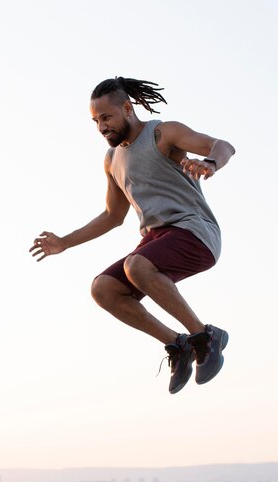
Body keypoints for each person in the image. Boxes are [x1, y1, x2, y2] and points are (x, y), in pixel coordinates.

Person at [29, 77, 235, 394]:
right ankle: (176, 345)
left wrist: (210, 163)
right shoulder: (112, 161)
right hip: (154, 240)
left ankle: (205, 337)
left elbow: (223, 146)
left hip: (195, 232)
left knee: (136, 266)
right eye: (95, 121)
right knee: (104, 289)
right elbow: (113, 215)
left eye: (107, 117)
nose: (101, 127)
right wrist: (64, 242)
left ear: (127, 108)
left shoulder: (162, 134)